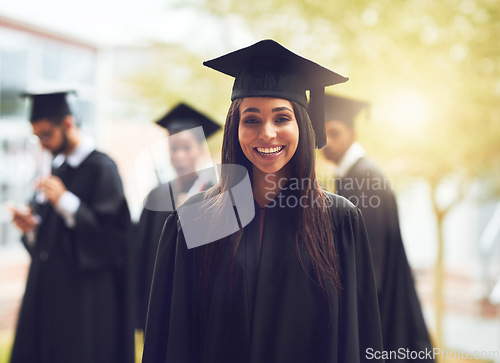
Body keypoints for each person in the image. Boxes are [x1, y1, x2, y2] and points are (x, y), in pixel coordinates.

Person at [142, 39, 385, 363]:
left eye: (282, 118)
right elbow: (170, 337)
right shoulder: (195, 220)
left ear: (303, 125)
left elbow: (357, 337)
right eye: (252, 119)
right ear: (235, 128)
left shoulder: (339, 220)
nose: (267, 132)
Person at [9, 91, 134, 363]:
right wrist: (31, 228)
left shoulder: (102, 168)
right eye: (37, 137)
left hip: (85, 299)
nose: (43, 144)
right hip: (48, 290)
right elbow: (50, 237)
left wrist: (66, 201)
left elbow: (113, 239)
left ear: (67, 124)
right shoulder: (56, 168)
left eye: (45, 135)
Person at [322, 93, 434, 362]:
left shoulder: (364, 178)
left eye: (334, 133)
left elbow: (370, 262)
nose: (327, 143)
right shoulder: (354, 175)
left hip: (382, 309)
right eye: (322, 135)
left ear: (353, 132)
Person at [135, 102, 221, 330]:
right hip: (161, 304)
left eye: (186, 147)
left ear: (201, 149)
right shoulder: (157, 196)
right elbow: (141, 256)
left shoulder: (216, 195)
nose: (179, 156)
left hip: (202, 306)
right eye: (174, 148)